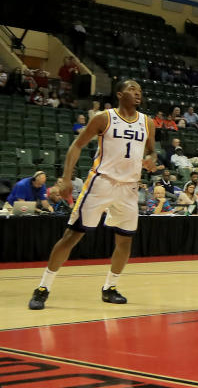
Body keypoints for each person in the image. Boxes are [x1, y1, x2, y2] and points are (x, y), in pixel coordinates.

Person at [29, 80, 156, 310]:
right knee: (72, 236)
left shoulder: (148, 122)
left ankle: (110, 288)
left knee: (125, 241)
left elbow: (152, 151)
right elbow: (76, 146)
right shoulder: (104, 118)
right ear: (119, 94)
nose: (137, 93)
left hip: (129, 188)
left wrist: (151, 161)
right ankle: (42, 288)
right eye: (132, 89)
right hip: (101, 183)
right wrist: (67, 178)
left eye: (139, 90)